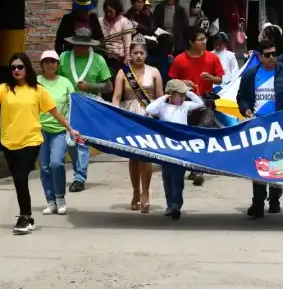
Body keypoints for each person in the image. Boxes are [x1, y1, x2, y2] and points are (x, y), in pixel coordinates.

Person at [0, 53, 80, 235]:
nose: (16, 70)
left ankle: (25, 217)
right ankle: (27, 217)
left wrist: (70, 129)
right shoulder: (4, 89)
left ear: (27, 68)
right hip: (9, 142)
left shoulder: (38, 90)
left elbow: (54, 111)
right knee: (19, 180)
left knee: (20, 177)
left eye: (20, 67)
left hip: (31, 141)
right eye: (13, 68)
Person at [237, 39, 283, 218]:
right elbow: (241, 97)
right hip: (257, 125)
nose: (272, 58)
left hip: (279, 126)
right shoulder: (250, 74)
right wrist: (245, 109)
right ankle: (258, 202)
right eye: (267, 55)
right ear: (259, 57)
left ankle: (275, 199)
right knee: (259, 164)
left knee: (278, 163)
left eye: (274, 54)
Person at [110, 36, 162, 212]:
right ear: (130, 55)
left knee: (146, 156)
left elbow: (161, 98)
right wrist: (115, 116)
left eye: (141, 53)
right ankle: (135, 191)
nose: (138, 56)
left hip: (148, 116)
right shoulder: (123, 73)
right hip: (129, 116)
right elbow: (117, 97)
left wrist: (158, 116)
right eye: (135, 53)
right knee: (133, 156)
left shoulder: (154, 72)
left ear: (146, 55)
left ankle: (146, 192)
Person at [58, 27, 113, 192]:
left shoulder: (98, 60)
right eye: (76, 44)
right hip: (67, 105)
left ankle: (80, 178)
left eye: (82, 45)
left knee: (82, 142)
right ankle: (77, 170)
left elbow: (108, 87)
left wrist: (90, 86)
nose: (78, 48)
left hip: (88, 106)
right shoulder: (64, 57)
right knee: (71, 144)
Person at [145, 79, 206, 220]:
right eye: (180, 95)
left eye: (184, 95)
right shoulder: (163, 107)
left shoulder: (185, 106)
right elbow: (149, 109)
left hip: (181, 148)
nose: (183, 98)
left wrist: (189, 91)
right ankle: (169, 204)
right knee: (167, 177)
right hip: (166, 147)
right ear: (171, 95)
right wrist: (163, 98)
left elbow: (200, 103)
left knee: (178, 178)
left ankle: (177, 205)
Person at [36, 50, 76, 217]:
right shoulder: (36, 82)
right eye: (46, 62)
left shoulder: (66, 83)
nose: (50, 65)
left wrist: (71, 128)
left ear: (58, 65)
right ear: (41, 65)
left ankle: (60, 198)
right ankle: (50, 201)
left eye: (53, 61)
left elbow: (73, 105)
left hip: (60, 129)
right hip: (39, 129)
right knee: (44, 167)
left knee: (56, 164)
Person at [169, 26, 225, 97]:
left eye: (205, 38)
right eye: (200, 40)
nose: (204, 42)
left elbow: (220, 80)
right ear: (191, 42)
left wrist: (210, 77)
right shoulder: (179, 59)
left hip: (205, 98)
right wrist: (182, 83)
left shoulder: (213, 57)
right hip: (184, 99)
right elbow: (170, 83)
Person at [99, 0, 134, 78]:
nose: (108, 14)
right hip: (103, 56)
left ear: (117, 11)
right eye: (106, 11)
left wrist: (127, 58)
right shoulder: (100, 21)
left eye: (111, 12)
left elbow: (127, 42)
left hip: (118, 58)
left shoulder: (125, 22)